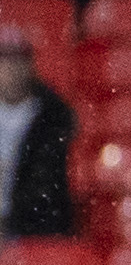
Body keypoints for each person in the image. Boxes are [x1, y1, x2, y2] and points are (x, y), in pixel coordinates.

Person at [0, 24, 75, 239]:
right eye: (5, 60)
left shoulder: (52, 117)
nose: (12, 68)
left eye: (19, 60)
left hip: (30, 230)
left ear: (31, 65)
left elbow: (46, 189)